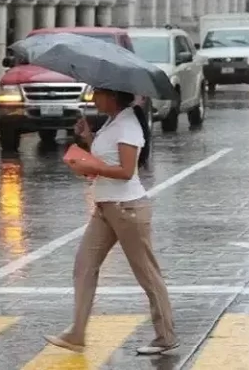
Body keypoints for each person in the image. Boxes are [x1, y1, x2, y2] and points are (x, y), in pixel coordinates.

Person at [44, 88, 178, 355]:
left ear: (112, 96)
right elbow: (107, 159)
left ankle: (166, 336)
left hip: (127, 209)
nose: (93, 97)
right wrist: (87, 138)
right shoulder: (113, 122)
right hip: (105, 208)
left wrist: (90, 167)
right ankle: (77, 333)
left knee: (148, 275)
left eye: (98, 93)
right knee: (84, 266)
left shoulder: (127, 125)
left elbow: (127, 171)